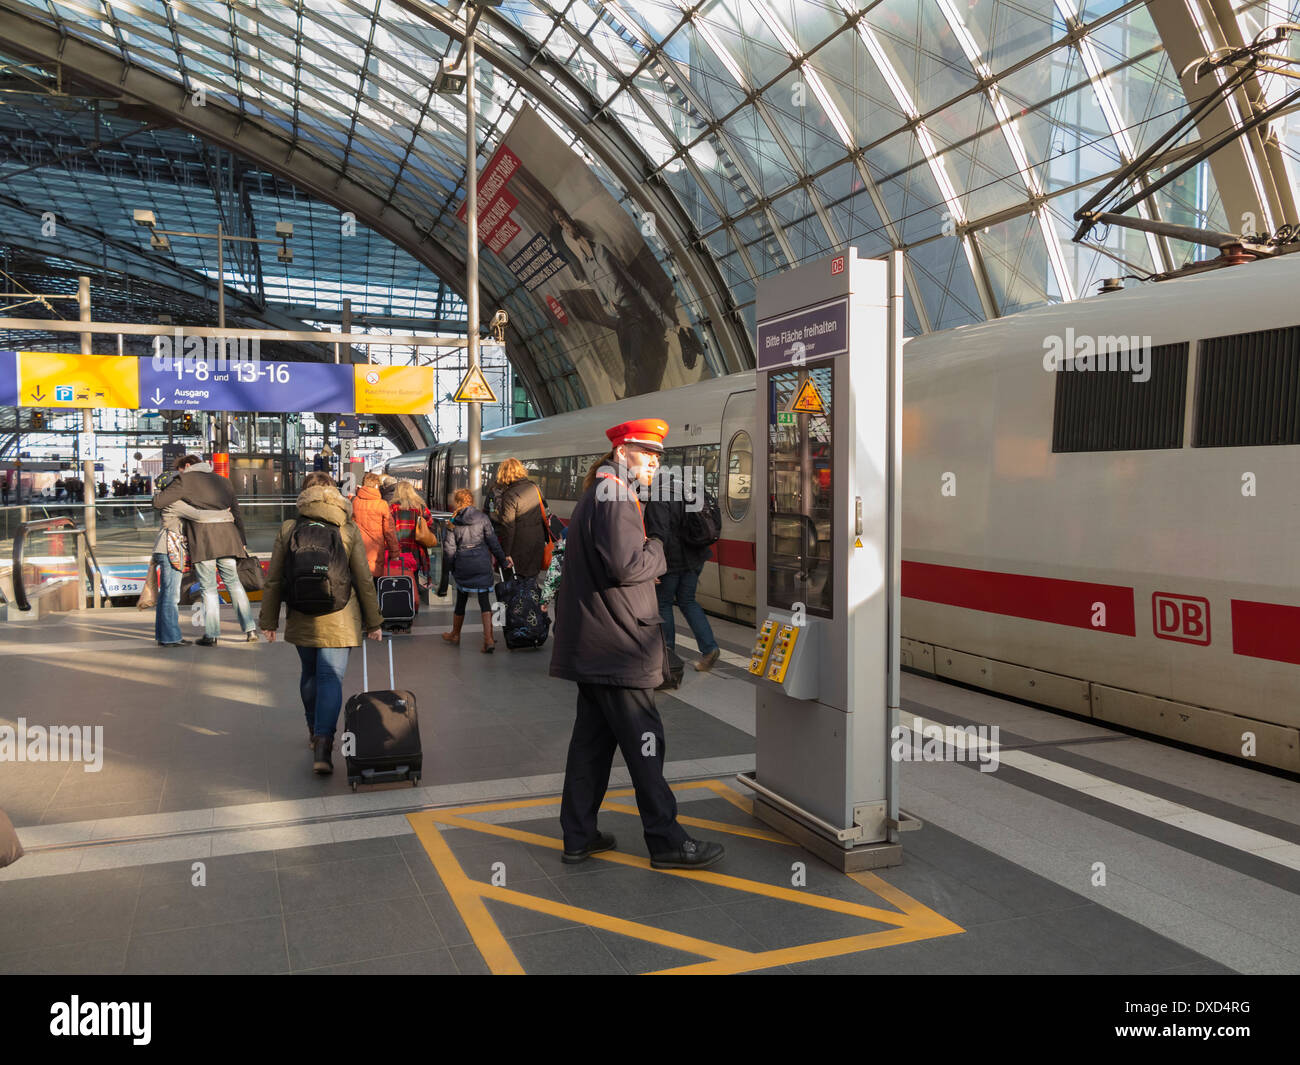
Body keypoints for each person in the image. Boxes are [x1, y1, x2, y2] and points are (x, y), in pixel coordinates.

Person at [549, 419, 724, 870]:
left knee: (591, 743)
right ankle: (666, 840)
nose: (654, 462)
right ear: (623, 451)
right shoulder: (615, 496)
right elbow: (627, 566)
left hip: (598, 641)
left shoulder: (607, 490)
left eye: (658, 455)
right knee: (647, 741)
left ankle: (579, 835)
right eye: (647, 453)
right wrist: (659, 548)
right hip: (618, 644)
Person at [259, 471, 383, 774]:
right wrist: (374, 621)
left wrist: (269, 620)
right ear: (335, 495)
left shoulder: (289, 528)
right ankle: (325, 744)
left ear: (303, 496)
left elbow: (274, 578)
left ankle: (314, 731)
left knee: (310, 674)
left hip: (302, 614)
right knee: (330, 677)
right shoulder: (347, 527)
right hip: (341, 617)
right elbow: (363, 579)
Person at [152, 454, 258, 646]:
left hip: (203, 540)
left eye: (180, 469)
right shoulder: (224, 481)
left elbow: (158, 502)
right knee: (234, 583)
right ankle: (250, 629)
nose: (178, 473)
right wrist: (242, 540)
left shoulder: (184, 480)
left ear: (186, 466)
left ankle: (212, 634)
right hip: (229, 538)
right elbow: (236, 512)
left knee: (208, 587)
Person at [644, 467, 721, 672]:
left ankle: (667, 657)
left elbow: (658, 536)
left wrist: (653, 567)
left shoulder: (659, 498)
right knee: (688, 601)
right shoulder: (691, 491)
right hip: (696, 558)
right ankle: (710, 648)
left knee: (663, 604)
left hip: (670, 562)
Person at [440, 488, 510, 652]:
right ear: (471, 501)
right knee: (484, 601)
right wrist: (503, 560)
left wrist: (447, 570)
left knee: (461, 600)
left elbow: (449, 549)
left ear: (457, 502)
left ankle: (455, 634)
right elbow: (493, 542)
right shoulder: (483, 518)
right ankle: (489, 639)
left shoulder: (453, 521)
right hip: (482, 564)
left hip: (464, 566)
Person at [491, 458, 551, 580]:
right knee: (531, 582)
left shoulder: (510, 494)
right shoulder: (534, 487)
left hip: (518, 548)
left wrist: (506, 553)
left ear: (504, 474)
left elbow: (509, 526)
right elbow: (545, 511)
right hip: (537, 544)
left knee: (515, 585)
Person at [388, 480, 435, 619]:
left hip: (397, 548)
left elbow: (388, 528)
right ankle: (413, 605)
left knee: (397, 575)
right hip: (415, 548)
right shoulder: (420, 507)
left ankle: (399, 605)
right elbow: (430, 523)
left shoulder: (392, 507)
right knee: (413, 577)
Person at [352, 472, 400, 577]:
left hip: (357, 551)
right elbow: (389, 531)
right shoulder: (382, 505)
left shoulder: (354, 502)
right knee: (374, 587)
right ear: (377, 486)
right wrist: (395, 553)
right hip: (375, 553)